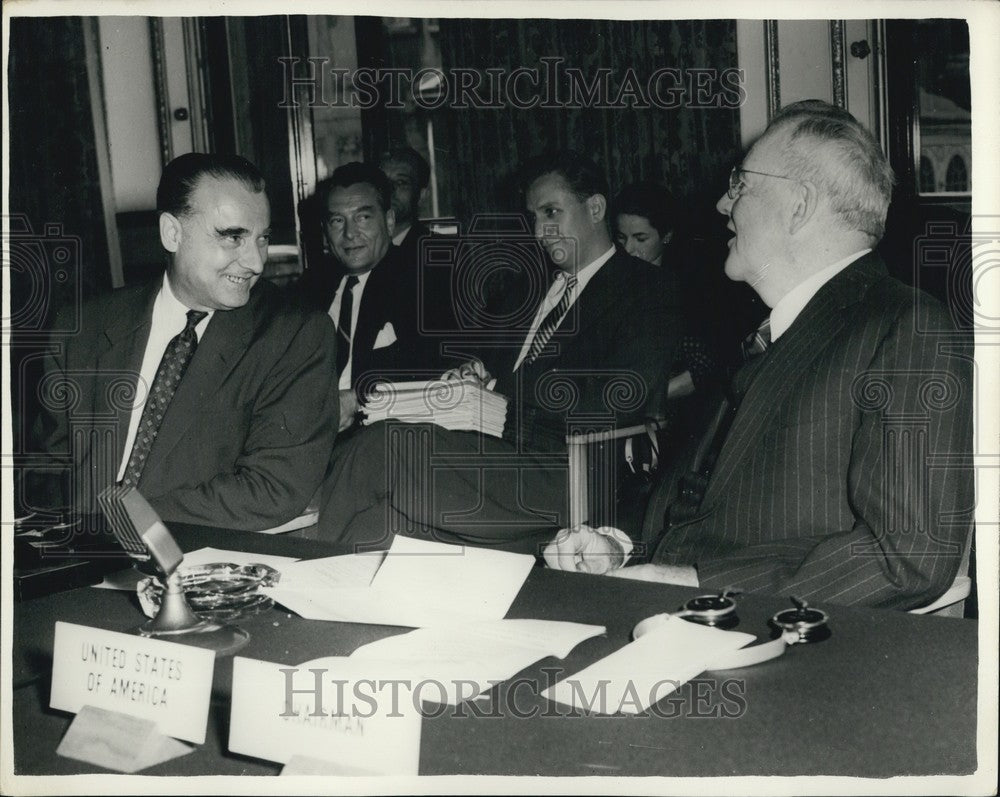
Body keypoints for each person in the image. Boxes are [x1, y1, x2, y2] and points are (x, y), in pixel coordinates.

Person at [545, 101, 974, 611]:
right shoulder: (764, 333)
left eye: (741, 184)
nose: (723, 205)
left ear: (799, 205)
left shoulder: (905, 328)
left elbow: (908, 556)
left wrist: (694, 581)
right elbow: (703, 503)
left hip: (772, 637)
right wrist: (617, 545)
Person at [317, 150, 680, 552]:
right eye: (535, 218)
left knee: (380, 450)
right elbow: (479, 358)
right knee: (380, 520)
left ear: (594, 207)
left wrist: (500, 396)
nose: (541, 231)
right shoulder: (526, 289)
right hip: (494, 451)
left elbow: (624, 396)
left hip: (569, 468)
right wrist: (469, 372)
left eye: (552, 213)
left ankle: (309, 576)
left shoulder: (647, 288)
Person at [28, 152, 340, 531]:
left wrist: (121, 523)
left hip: (201, 562)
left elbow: (273, 488)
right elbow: (47, 469)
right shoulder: (85, 327)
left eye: (262, 239)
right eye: (232, 237)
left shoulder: (294, 335)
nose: (256, 262)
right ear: (172, 234)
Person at [298, 162, 441, 432]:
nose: (350, 234)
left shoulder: (422, 279)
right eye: (337, 221)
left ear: (388, 220)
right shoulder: (311, 287)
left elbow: (432, 358)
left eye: (363, 218)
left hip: (380, 436)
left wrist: (357, 397)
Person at [612, 181, 718, 399]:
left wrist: (646, 399)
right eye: (621, 238)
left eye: (640, 238)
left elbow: (702, 366)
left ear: (667, 236)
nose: (628, 249)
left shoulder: (688, 289)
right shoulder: (614, 281)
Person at [378, 146, 432, 264]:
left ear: (421, 195)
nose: (389, 190)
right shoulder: (356, 250)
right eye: (382, 181)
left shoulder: (437, 253)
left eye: (401, 182)